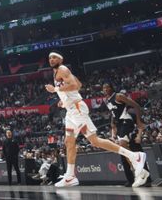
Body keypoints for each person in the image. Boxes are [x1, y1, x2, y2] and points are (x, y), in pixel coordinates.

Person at [45, 52, 148, 188]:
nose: (52, 59)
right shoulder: (57, 72)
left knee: (94, 140)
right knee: (69, 141)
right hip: (70, 111)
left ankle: (135, 157)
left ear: (61, 59)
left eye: (54, 57)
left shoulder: (63, 69)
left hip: (77, 110)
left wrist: (56, 89)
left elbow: (75, 85)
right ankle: (70, 176)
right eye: (50, 58)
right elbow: (80, 84)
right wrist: (63, 100)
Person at [103, 82, 148, 186]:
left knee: (123, 143)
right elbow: (114, 113)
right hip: (119, 125)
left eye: (107, 87)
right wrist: (112, 123)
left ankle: (139, 169)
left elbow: (136, 105)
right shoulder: (107, 101)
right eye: (103, 88)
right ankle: (137, 170)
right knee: (123, 150)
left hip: (126, 121)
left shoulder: (118, 96)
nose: (105, 89)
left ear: (111, 87)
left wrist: (139, 121)